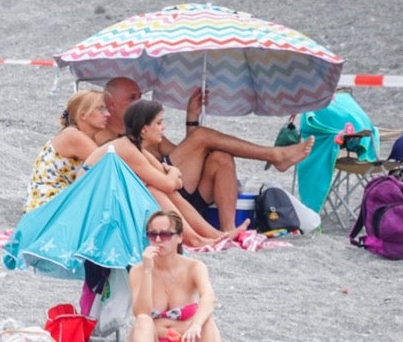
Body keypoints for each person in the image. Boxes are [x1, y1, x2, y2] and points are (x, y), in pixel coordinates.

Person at [95, 77, 314, 230]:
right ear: (111, 104)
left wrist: (192, 116)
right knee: (201, 138)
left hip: (183, 192)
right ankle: (275, 156)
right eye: (133, 98)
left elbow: (191, 155)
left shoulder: (149, 134)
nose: (140, 102)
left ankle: (228, 229)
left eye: (141, 96)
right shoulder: (103, 138)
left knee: (220, 157)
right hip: (160, 197)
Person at [84, 100, 238, 247]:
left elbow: (177, 184)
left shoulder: (137, 149)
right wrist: (173, 171)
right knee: (154, 190)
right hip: (88, 206)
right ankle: (195, 239)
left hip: (102, 200)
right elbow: (170, 183)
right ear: (144, 129)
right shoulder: (126, 148)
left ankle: (214, 235)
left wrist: (171, 174)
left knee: (162, 191)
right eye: (159, 123)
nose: (163, 128)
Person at [125, 210, 242, 342]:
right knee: (143, 320)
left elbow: (209, 298)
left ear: (179, 237)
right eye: (152, 234)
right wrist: (148, 270)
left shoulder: (194, 267)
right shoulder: (138, 270)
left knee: (206, 320)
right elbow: (140, 312)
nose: (157, 240)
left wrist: (195, 325)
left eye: (165, 234)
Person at [24, 88, 110, 211]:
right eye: (101, 109)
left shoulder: (80, 135)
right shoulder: (73, 136)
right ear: (83, 115)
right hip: (49, 207)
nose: (108, 114)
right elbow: (110, 164)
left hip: (52, 204)